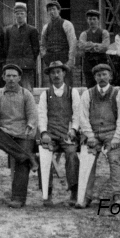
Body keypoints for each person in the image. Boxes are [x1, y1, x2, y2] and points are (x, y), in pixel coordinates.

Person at [0, 64, 39, 209]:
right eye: (8, 76)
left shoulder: (26, 94)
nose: (11, 79)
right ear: (3, 77)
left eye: (14, 76)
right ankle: (29, 157)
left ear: (19, 78)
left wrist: (30, 126)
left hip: (23, 133)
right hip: (5, 132)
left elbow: (33, 115)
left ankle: (18, 198)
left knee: (21, 162)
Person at [77, 63, 120, 209]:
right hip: (92, 134)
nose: (101, 78)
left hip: (111, 133)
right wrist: (89, 135)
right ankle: (85, 196)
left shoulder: (118, 94)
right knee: (87, 160)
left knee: (115, 159)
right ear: (95, 77)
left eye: (104, 74)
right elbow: (82, 117)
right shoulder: (87, 94)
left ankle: (117, 195)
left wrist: (117, 137)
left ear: (110, 76)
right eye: (98, 75)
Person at [38, 61, 80, 207]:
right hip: (50, 134)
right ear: (49, 76)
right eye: (53, 73)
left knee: (72, 154)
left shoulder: (72, 92)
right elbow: (42, 115)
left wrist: (73, 129)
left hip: (67, 134)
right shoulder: (45, 94)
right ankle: (47, 193)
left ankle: (74, 191)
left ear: (64, 73)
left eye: (58, 72)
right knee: (44, 155)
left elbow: (77, 114)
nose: (56, 75)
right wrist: (44, 132)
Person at [5, 2, 40, 92]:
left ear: (25, 15)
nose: (19, 16)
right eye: (17, 13)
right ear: (14, 15)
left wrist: (29, 59)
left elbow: (36, 49)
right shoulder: (9, 30)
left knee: (27, 88)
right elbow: (6, 47)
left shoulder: (32, 30)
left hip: (26, 65)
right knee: (12, 88)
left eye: (22, 13)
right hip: (12, 64)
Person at [40, 0, 76, 86]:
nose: (52, 12)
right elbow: (42, 45)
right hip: (51, 59)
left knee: (67, 84)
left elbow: (72, 43)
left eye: (54, 9)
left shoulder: (67, 24)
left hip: (64, 58)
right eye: (49, 10)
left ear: (59, 10)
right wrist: (45, 56)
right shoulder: (46, 27)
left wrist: (70, 60)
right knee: (54, 84)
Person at [77, 10, 110, 88]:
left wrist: (90, 45)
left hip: (101, 60)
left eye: (94, 19)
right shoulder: (84, 34)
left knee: (102, 82)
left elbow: (105, 46)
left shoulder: (104, 32)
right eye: (90, 19)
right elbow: (81, 45)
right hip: (88, 62)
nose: (92, 21)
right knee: (90, 84)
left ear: (98, 20)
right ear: (87, 20)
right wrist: (97, 46)